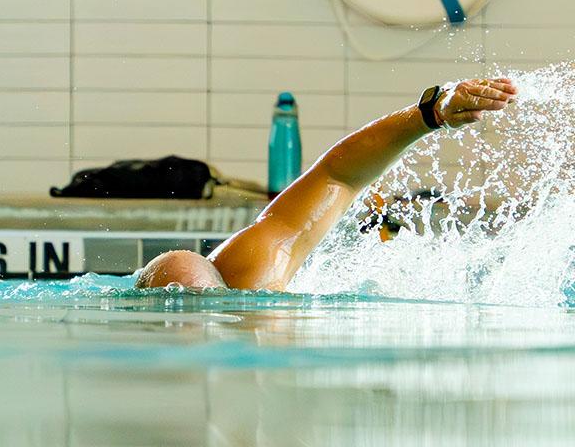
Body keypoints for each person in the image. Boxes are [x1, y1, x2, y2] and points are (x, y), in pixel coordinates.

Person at [136, 77, 517, 292]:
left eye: (206, 306)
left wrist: (431, 113)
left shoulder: (250, 275)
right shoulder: (252, 296)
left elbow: (337, 174)